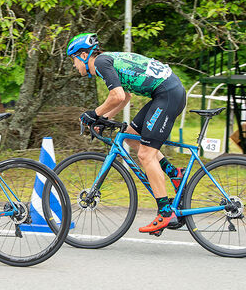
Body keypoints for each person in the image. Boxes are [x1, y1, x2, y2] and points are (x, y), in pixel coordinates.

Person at [67, 33, 186, 234]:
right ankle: (175, 174)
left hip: (167, 94)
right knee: (131, 136)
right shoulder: (107, 60)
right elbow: (125, 96)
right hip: (165, 92)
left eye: (73, 60)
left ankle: (165, 213)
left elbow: (118, 95)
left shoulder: (102, 63)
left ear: (84, 55)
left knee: (145, 154)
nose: (74, 65)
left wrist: (93, 114)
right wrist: (104, 118)